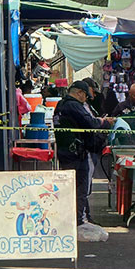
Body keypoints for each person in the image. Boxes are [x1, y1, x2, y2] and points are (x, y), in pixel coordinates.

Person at [54, 80, 115, 225]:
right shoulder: (73, 105)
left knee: (71, 188)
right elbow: (91, 123)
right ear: (79, 93)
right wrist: (106, 122)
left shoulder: (61, 105)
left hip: (66, 152)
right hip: (76, 154)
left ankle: (76, 219)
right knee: (80, 188)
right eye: (85, 95)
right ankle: (79, 221)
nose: (86, 99)